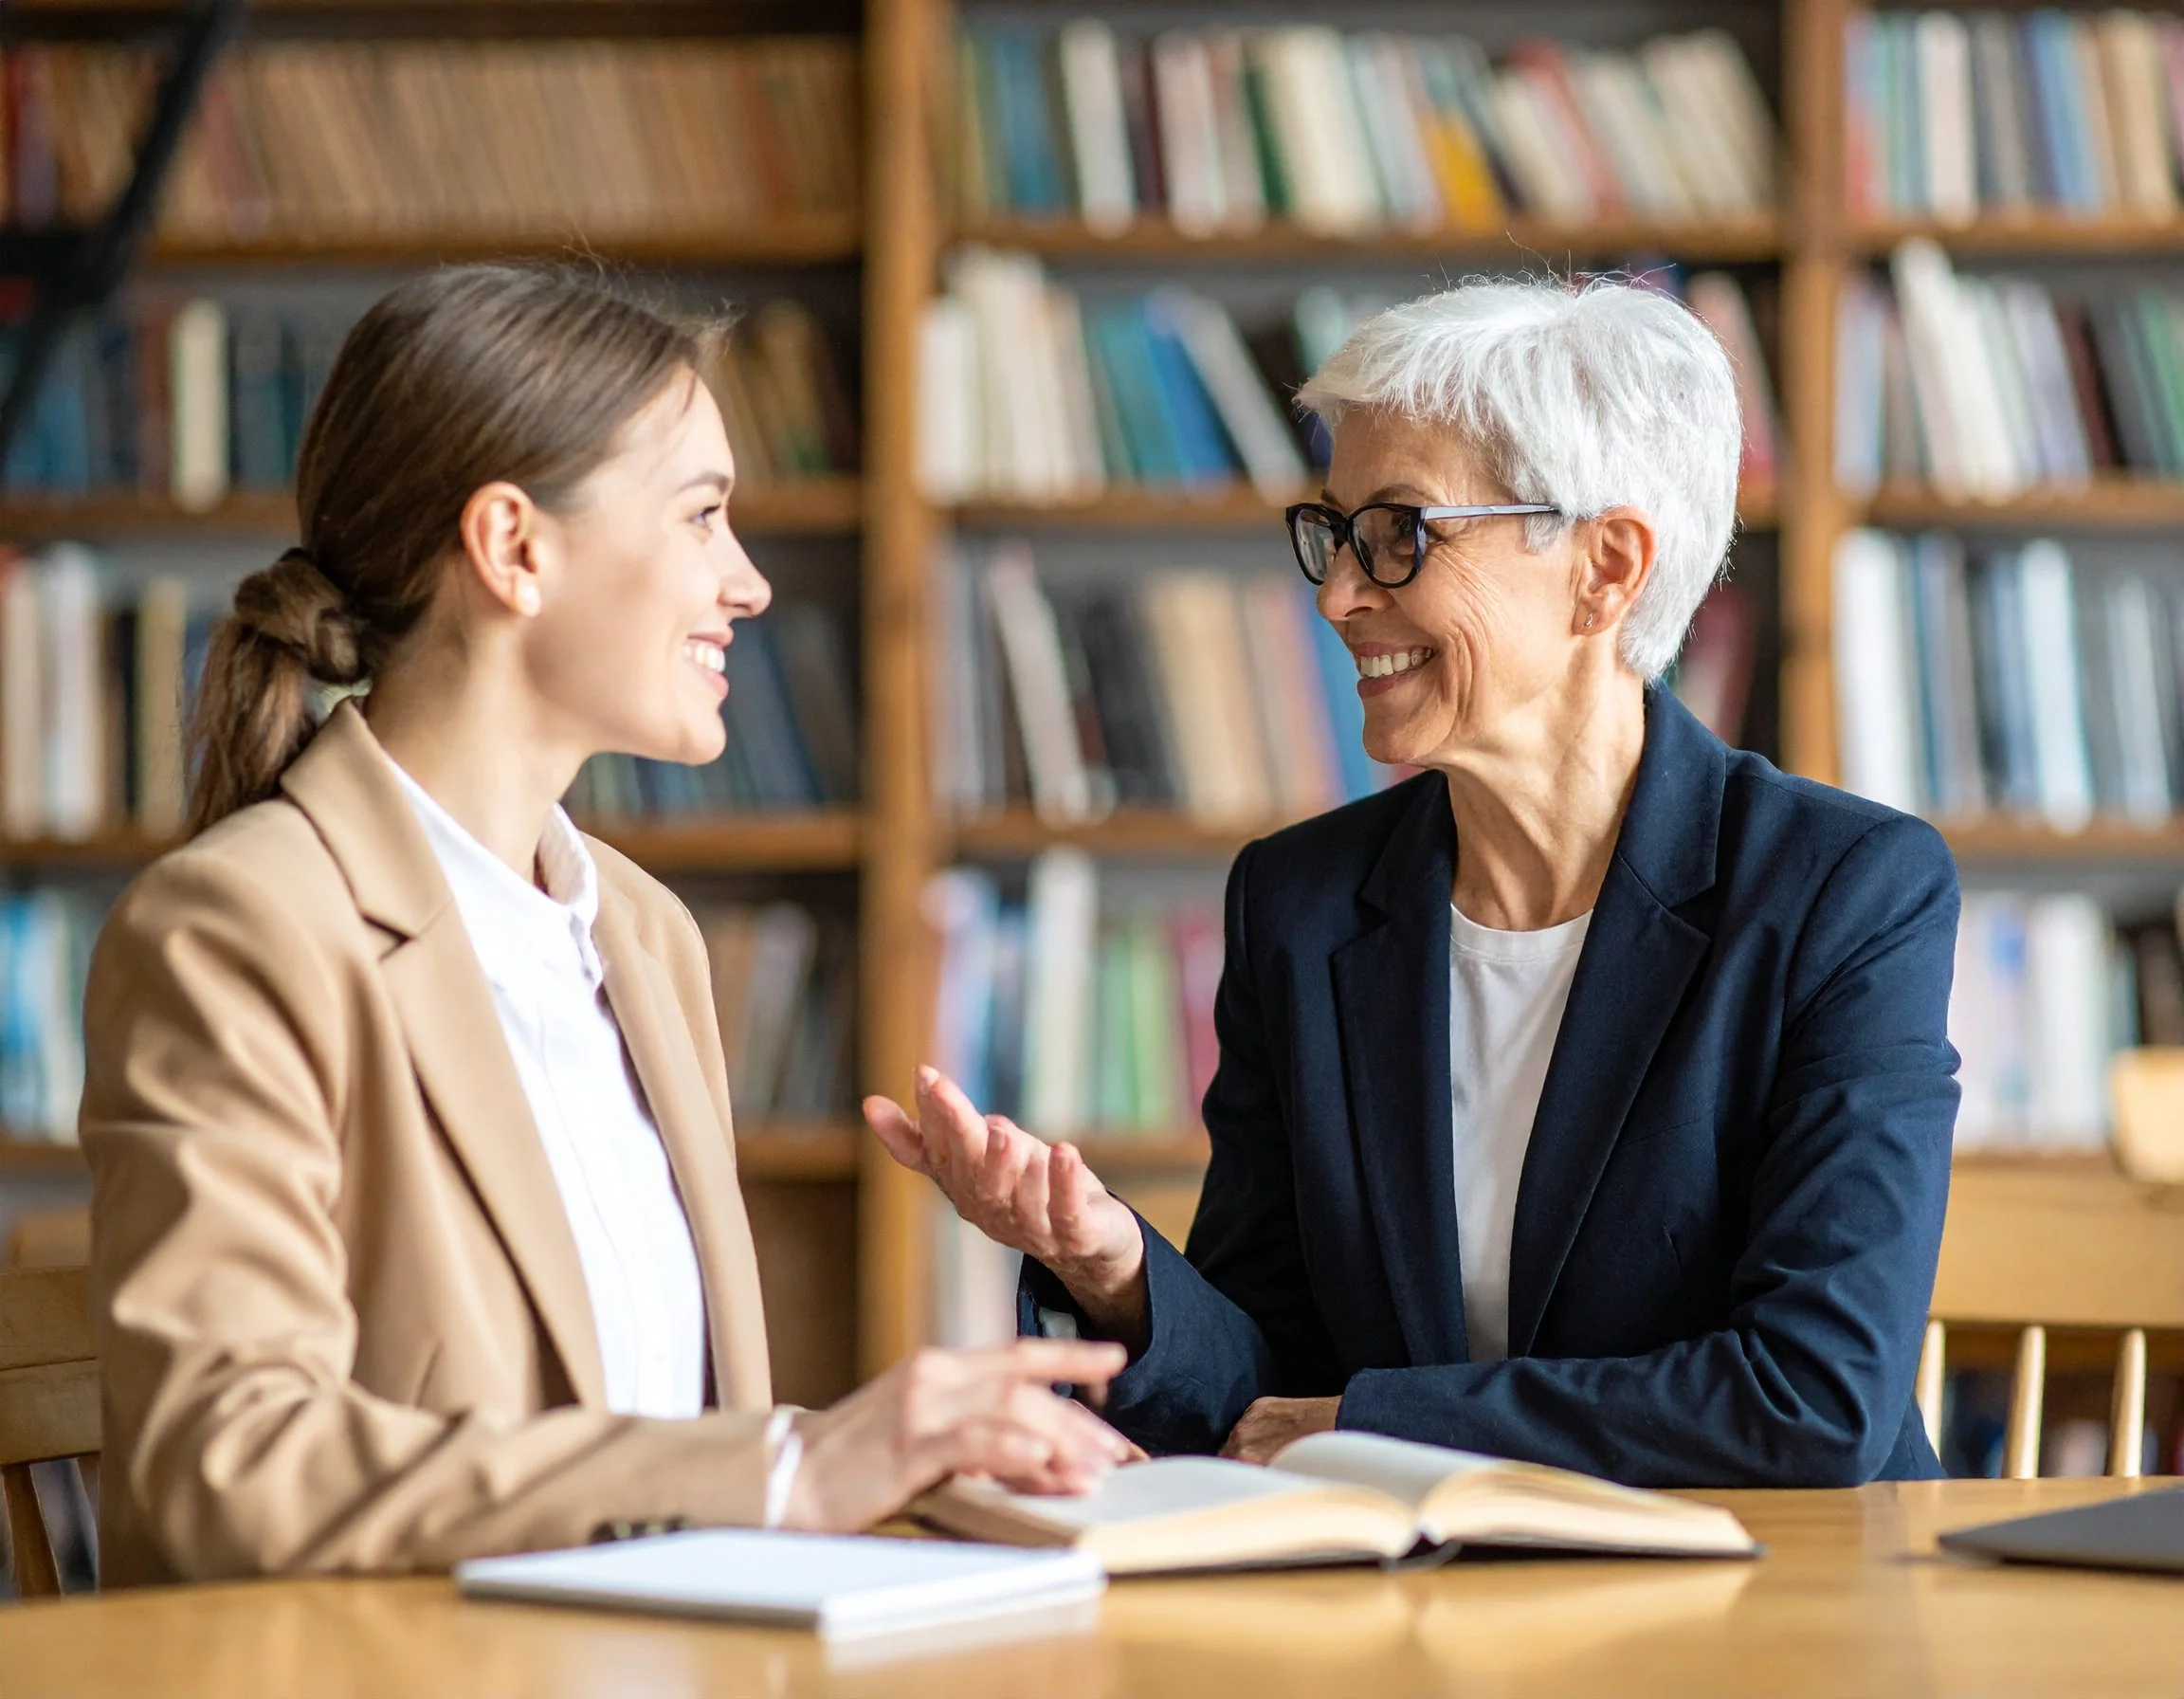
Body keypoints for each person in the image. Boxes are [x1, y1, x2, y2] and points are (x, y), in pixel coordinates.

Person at [82, 265, 1130, 1588]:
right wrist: (788, 1471)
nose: (748, 583)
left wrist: (910, 1464)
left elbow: (654, 1438)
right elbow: (226, 1463)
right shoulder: (235, 930)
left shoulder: (643, 934)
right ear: (514, 548)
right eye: (702, 515)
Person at [868, 277, 1960, 1488]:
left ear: (1604, 569)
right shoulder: (1298, 905)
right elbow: (1266, 1390)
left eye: (1400, 533)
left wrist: (1381, 1418)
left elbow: (1813, 1396)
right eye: (1335, 534)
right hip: (1424, 1581)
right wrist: (1114, 1263)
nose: (1338, 594)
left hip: (1783, 1584)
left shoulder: (1843, 892)